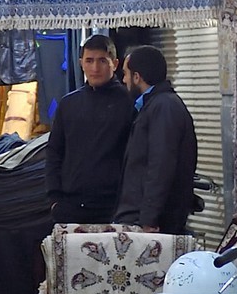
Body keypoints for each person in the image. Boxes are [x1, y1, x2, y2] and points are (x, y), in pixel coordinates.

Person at [45, 35, 135, 225]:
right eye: (89, 60)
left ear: (115, 63)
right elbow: (54, 152)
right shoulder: (69, 104)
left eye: (102, 61)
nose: (95, 68)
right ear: (81, 63)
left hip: (114, 208)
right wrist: (54, 198)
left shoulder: (129, 103)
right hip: (70, 206)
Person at [113, 44, 198, 235]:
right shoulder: (155, 106)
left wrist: (149, 218)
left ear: (137, 77)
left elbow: (161, 165)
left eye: (126, 74)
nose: (124, 80)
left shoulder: (164, 107)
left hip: (153, 222)